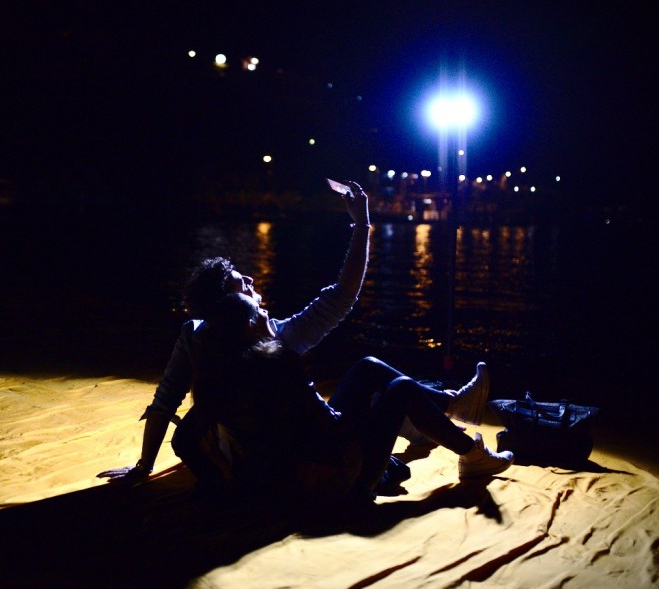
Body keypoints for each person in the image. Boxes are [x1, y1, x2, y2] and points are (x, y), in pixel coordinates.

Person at [96, 179, 490, 485]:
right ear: (226, 306)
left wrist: (145, 466)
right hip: (295, 461)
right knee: (387, 387)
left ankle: (447, 405)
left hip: (282, 455)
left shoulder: (238, 336)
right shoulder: (263, 341)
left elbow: (341, 296)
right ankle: (448, 413)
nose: (250, 279)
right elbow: (167, 402)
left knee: (376, 378)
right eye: (239, 282)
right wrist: (361, 223)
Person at [192, 292, 514, 508]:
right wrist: (372, 414)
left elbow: (185, 441)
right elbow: (330, 426)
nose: (267, 313)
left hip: (295, 472)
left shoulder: (221, 372)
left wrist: (227, 487)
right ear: (250, 328)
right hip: (334, 480)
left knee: (368, 367)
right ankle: (471, 454)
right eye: (261, 312)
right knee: (400, 389)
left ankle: (453, 405)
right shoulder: (276, 362)